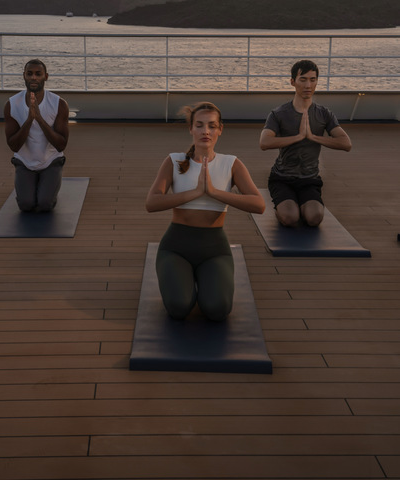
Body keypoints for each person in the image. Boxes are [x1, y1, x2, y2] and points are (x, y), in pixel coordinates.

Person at [146, 102, 265, 322]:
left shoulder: (231, 163)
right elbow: (151, 203)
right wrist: (195, 192)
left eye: (212, 126)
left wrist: (213, 192)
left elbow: (259, 205)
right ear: (190, 128)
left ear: (220, 129)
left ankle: (203, 279)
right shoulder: (174, 161)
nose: (205, 131)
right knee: (178, 307)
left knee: (218, 309)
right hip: (176, 248)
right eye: (199, 125)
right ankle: (185, 280)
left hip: (214, 250)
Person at [260, 59, 351, 227]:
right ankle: (284, 207)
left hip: (309, 179)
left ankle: (300, 205)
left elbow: (346, 144)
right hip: (282, 178)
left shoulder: (324, 114)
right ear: (292, 82)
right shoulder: (279, 113)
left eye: (312, 79)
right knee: (290, 218)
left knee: (314, 218)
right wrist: (298, 137)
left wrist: (313, 137)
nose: (308, 85)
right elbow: (264, 142)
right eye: (303, 79)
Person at [4, 59, 69, 212]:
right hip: (24, 162)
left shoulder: (59, 104)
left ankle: (48, 183)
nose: (33, 77)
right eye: (30, 73)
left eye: (38, 74)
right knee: (26, 205)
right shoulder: (12, 104)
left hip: (51, 161)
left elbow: (61, 145)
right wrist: (29, 120)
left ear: (45, 77)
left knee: (45, 204)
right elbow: (14, 146)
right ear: (24, 76)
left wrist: (39, 119)